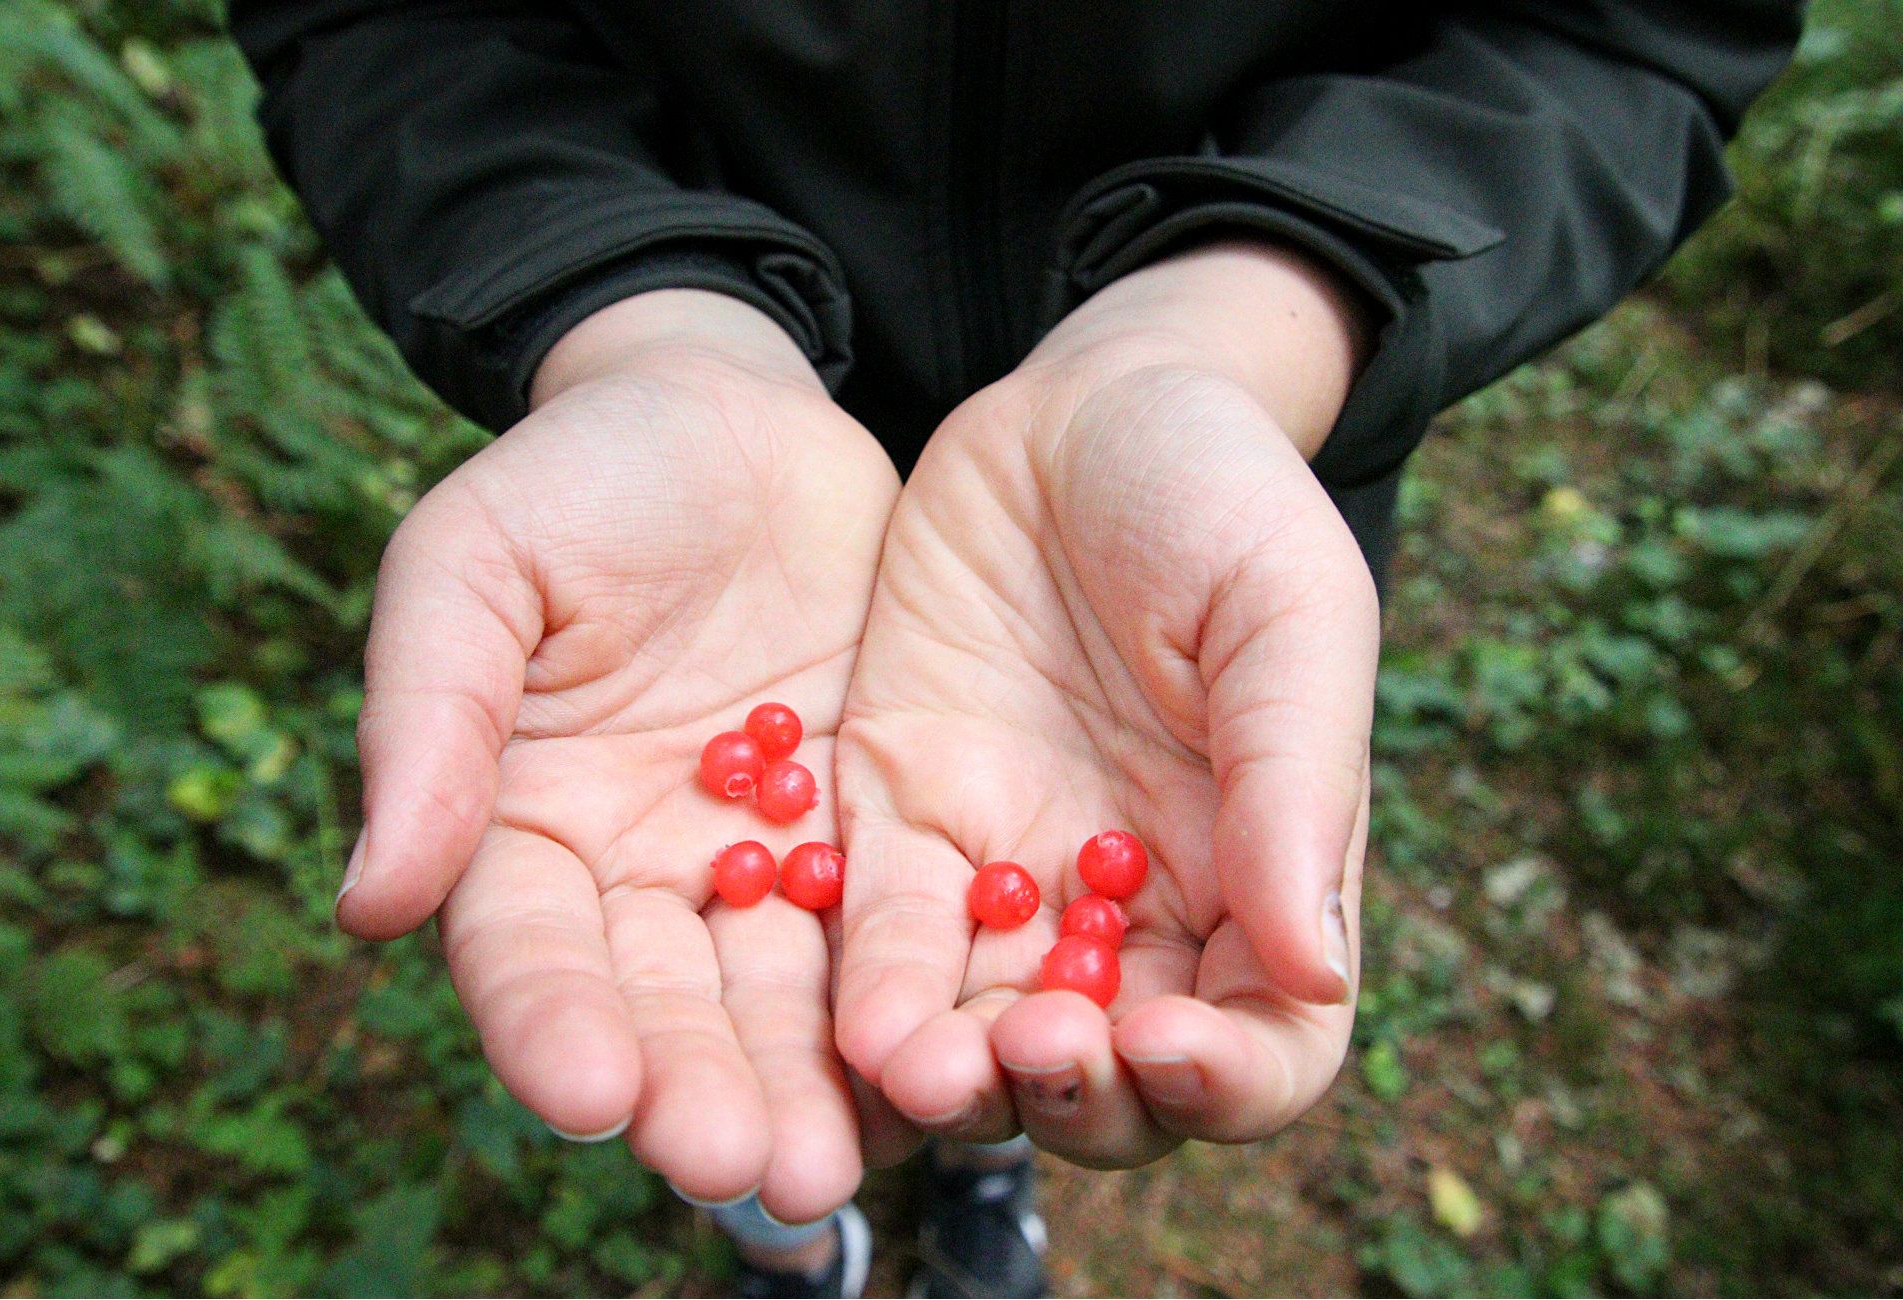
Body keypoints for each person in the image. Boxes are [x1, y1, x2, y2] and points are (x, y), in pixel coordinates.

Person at [228, 2, 1802, 1294]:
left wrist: (1257, 313)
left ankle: (986, 1158)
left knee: (1047, 966)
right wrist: (632, 314)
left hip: (1173, 521)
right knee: (758, 988)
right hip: (737, 437)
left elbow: (1644, 32)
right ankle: (784, 1216)